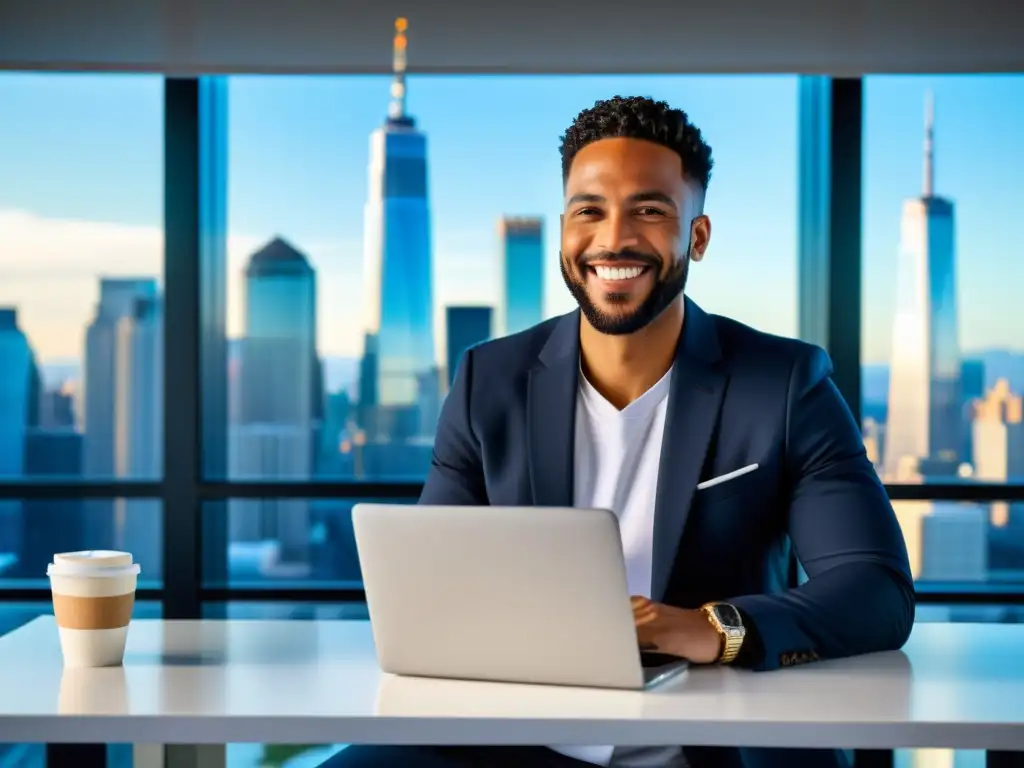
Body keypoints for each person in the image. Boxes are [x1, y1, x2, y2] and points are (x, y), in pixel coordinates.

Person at [324, 96, 914, 768]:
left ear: (696, 236)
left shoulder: (782, 384)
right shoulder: (489, 380)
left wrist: (708, 629)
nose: (613, 239)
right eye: (590, 211)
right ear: (563, 230)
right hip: (519, 741)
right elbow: (435, 599)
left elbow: (875, 590)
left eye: (649, 210)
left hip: (710, 750)